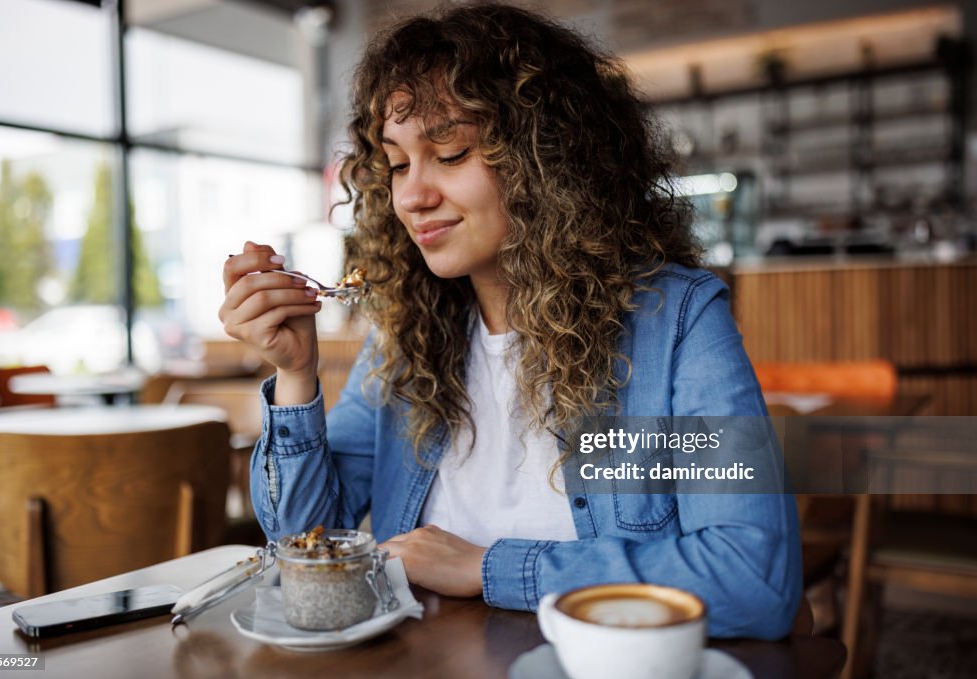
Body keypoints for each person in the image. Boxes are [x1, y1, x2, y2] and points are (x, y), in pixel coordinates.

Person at [220, 2, 801, 639]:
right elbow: (304, 542)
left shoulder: (677, 322)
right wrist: (296, 373)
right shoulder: (405, 337)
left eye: (451, 151)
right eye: (397, 163)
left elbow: (753, 577)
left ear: (548, 159)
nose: (412, 195)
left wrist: (488, 567)